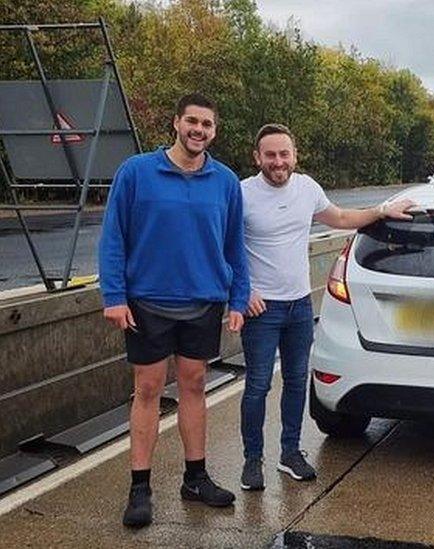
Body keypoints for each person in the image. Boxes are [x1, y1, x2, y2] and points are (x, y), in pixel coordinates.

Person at [99, 93, 249, 528]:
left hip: (203, 302)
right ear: (176, 123)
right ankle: (140, 487)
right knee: (147, 390)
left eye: (207, 124)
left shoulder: (224, 182)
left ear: (214, 131)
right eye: (192, 122)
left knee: (195, 385)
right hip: (147, 303)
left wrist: (238, 298)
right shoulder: (137, 173)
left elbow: (235, 246)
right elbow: (114, 238)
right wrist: (114, 296)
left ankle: (195, 478)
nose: (199, 130)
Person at [238, 123, 413, 491]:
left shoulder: (307, 188)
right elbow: (222, 247)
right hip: (261, 308)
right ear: (257, 158)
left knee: (298, 380)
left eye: (284, 154)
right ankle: (252, 460)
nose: (278, 161)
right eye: (270, 155)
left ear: (294, 156)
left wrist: (383, 210)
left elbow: (342, 219)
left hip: (299, 306)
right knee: (257, 386)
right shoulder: (241, 194)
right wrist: (240, 291)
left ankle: (289, 452)